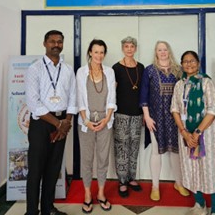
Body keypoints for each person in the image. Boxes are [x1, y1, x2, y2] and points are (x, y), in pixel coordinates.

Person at [25, 30, 76, 215]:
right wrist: (58, 124)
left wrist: (66, 122)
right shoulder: (35, 68)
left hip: (62, 123)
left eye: (60, 41)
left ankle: (48, 208)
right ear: (45, 43)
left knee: (53, 169)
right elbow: (33, 102)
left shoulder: (68, 69)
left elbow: (73, 98)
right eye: (52, 41)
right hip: (42, 124)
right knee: (36, 170)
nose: (56, 44)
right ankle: (31, 211)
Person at [171, 51, 215, 215]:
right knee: (191, 170)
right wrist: (184, 132)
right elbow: (175, 109)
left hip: (206, 135)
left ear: (198, 63)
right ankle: (199, 205)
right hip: (186, 135)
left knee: (211, 171)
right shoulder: (180, 85)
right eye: (185, 61)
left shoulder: (206, 82)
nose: (189, 64)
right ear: (182, 64)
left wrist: (197, 133)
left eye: (192, 61)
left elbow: (212, 110)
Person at [140, 41, 189, 201]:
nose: (162, 52)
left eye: (165, 49)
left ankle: (179, 183)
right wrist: (146, 116)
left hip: (175, 118)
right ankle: (155, 186)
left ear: (169, 51)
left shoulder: (178, 70)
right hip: (155, 117)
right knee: (156, 151)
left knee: (176, 151)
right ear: (156, 52)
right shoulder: (149, 70)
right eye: (159, 50)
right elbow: (144, 95)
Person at [76, 39, 117, 214]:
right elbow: (79, 99)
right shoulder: (81, 72)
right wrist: (86, 121)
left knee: (102, 158)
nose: (99, 55)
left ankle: (100, 193)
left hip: (105, 122)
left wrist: (106, 119)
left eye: (102, 52)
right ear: (90, 52)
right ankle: (87, 194)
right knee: (86, 160)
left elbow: (112, 98)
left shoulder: (109, 71)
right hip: (86, 122)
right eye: (96, 52)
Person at [112, 36, 145, 198]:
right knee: (122, 147)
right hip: (121, 114)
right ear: (122, 48)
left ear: (135, 48)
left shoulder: (141, 67)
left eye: (132, 46)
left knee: (134, 147)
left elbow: (144, 92)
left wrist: (146, 113)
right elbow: (112, 92)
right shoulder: (116, 68)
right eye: (126, 46)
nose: (129, 49)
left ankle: (132, 177)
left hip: (138, 114)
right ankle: (122, 180)